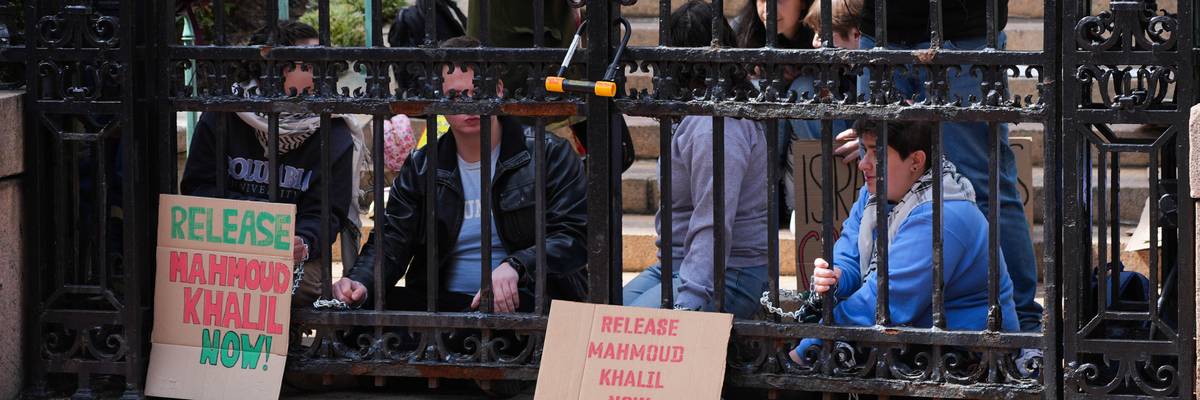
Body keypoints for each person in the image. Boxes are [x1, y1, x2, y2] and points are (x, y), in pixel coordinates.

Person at [333, 36, 589, 313]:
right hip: (444, 307)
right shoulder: (422, 166)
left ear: (499, 90)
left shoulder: (548, 154)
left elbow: (575, 234)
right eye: (455, 96)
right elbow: (392, 240)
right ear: (440, 101)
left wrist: (518, 265)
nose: (468, 105)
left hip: (527, 303)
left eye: (477, 92)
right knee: (361, 311)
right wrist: (360, 281)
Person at [834, 0, 1043, 333]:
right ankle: (876, 307)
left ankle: (1020, 328)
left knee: (984, 185)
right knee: (879, 179)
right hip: (884, 29)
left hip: (962, 31)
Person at [787, 120, 1020, 364]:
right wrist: (838, 276)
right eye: (864, 150)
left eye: (877, 153)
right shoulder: (875, 192)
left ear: (916, 162)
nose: (863, 164)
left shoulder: (943, 215)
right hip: (919, 343)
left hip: (969, 357)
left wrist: (804, 351)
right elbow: (850, 249)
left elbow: (883, 305)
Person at [180, 21, 355, 307]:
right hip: (222, 247)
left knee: (292, 286)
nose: (323, 74)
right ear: (275, 67)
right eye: (309, 65)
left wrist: (303, 242)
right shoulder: (225, 113)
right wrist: (260, 225)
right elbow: (197, 188)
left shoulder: (333, 129)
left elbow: (327, 213)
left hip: (291, 259)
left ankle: (285, 350)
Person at [622, 1, 769, 319]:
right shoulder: (695, 115)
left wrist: (687, 303)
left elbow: (713, 222)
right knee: (603, 321)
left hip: (727, 275)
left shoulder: (714, 126)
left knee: (627, 328)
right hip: (673, 266)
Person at [780, 0, 862, 231]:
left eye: (822, 34)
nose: (814, 43)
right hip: (819, 200)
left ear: (856, 34)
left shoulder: (891, 78)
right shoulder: (814, 84)